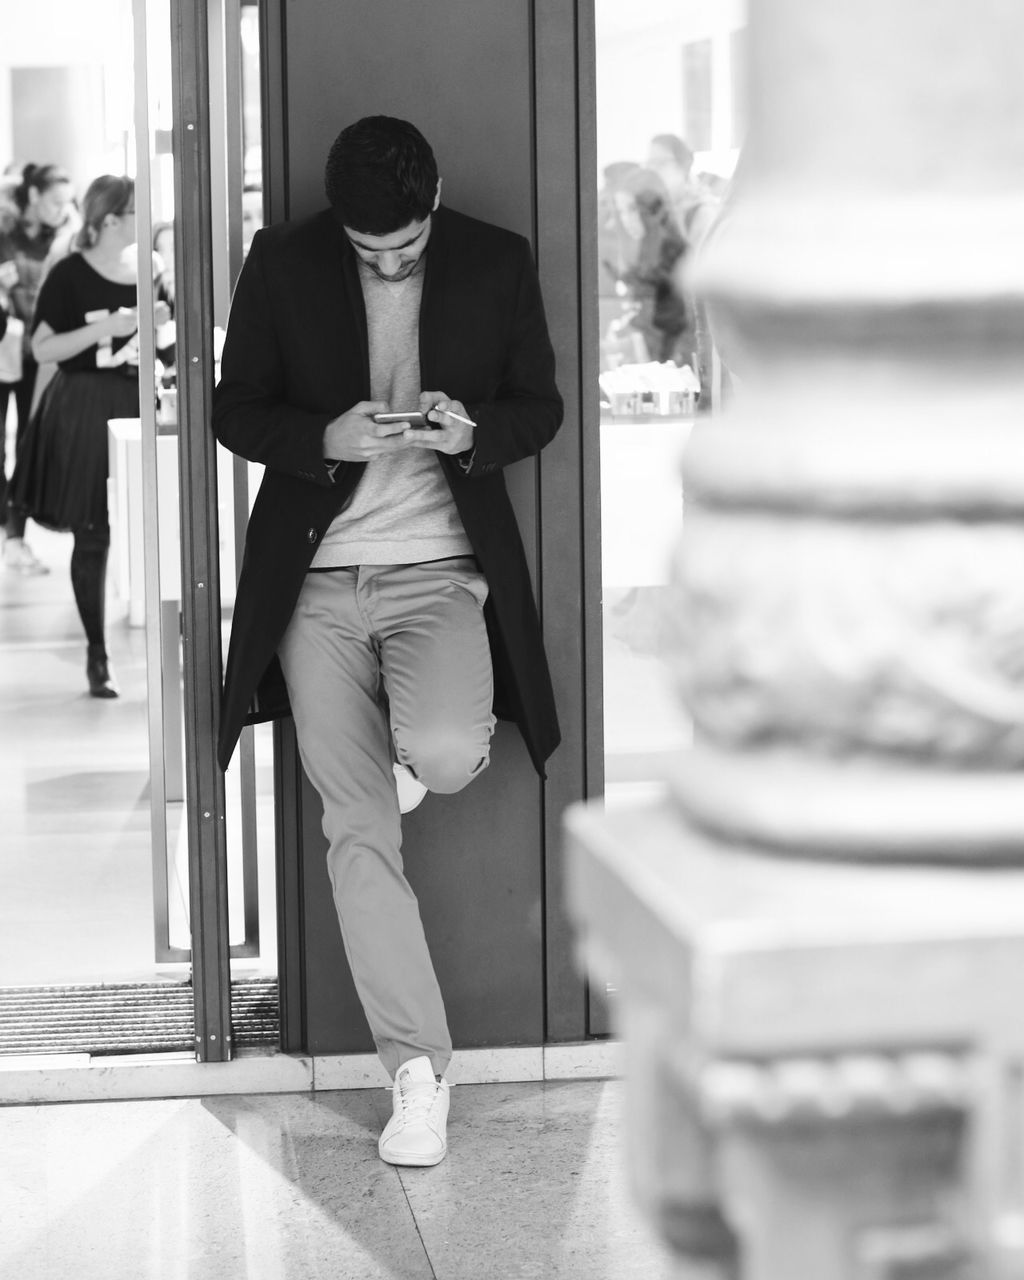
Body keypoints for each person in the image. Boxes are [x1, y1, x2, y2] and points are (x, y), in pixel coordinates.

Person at [213, 115, 563, 1167]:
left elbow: (538, 404)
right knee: (355, 830)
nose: (389, 264)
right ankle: (418, 1072)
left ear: (435, 197)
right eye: (369, 255)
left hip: (438, 570)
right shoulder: (280, 263)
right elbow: (236, 408)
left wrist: (472, 432)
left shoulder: (498, 260)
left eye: (404, 247)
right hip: (313, 584)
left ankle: (410, 760)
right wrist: (321, 438)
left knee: (452, 749)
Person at [11, 174, 172, 698]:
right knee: (93, 529)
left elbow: (168, 342)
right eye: (133, 213)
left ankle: (172, 650)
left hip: (141, 401)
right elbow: (43, 348)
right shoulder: (69, 275)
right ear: (110, 220)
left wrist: (161, 324)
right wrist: (111, 326)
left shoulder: (153, 268)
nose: (140, 221)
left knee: (160, 525)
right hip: (84, 409)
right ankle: (96, 653)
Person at [0, 163, 77, 574]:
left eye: (66, 202)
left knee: (29, 444)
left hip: (39, 356)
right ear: (32, 197)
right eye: (54, 201)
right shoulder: (4, 235)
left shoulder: (65, 239)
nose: (61, 209)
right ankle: (10, 537)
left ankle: (16, 537)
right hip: (2, 352)